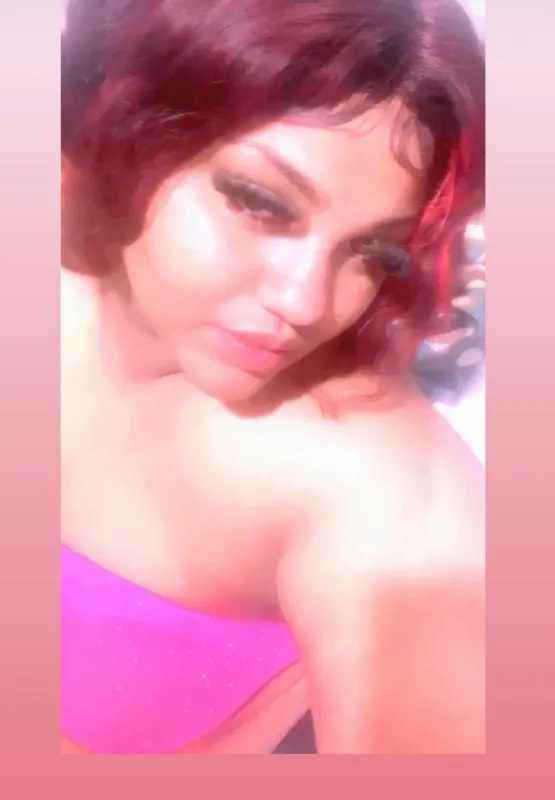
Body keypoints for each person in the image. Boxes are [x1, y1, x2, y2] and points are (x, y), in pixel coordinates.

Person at [61, 0, 485, 754]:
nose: (306, 301)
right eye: (259, 203)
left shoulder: (369, 473)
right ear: (121, 122)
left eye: (372, 252)